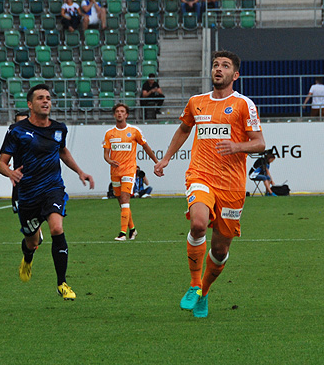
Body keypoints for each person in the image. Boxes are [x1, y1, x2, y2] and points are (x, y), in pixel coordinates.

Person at [154, 50, 266, 319]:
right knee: (198, 224)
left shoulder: (244, 105)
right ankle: (194, 284)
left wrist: (237, 146)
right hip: (200, 175)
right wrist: (166, 158)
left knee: (220, 249)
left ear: (235, 75)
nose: (218, 69)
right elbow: (184, 129)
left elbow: (260, 143)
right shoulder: (196, 102)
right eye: (216, 65)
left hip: (232, 185)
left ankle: (203, 292)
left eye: (225, 66)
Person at [0, 84, 94, 298]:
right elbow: (1, 164)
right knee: (32, 242)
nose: (45, 101)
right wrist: (10, 172)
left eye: (48, 98)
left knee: (57, 228)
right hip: (28, 194)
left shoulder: (59, 129)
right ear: (30, 104)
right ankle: (28, 257)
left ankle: (62, 283)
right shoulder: (16, 131)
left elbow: (62, 151)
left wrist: (80, 171)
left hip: (52, 188)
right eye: (40, 98)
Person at [103, 103, 159, 241]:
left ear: (126, 115)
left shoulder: (134, 131)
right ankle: (132, 229)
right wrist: (110, 161)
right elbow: (106, 155)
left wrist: (157, 162)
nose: (120, 113)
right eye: (117, 111)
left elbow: (146, 147)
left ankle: (122, 233)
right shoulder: (109, 133)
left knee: (125, 200)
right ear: (114, 114)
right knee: (122, 203)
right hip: (115, 172)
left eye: (122, 111)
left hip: (129, 170)